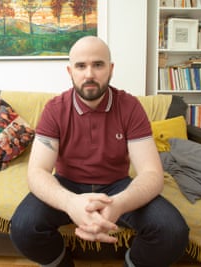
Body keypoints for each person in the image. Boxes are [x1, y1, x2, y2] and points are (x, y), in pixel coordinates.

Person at [10, 36, 189, 267]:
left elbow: (152, 174)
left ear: (111, 69)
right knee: (23, 228)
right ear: (70, 71)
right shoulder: (54, 110)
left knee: (173, 232)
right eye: (81, 66)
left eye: (98, 64)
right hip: (67, 184)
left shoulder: (131, 107)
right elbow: (37, 171)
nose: (89, 74)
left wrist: (120, 204)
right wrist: (70, 203)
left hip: (117, 186)